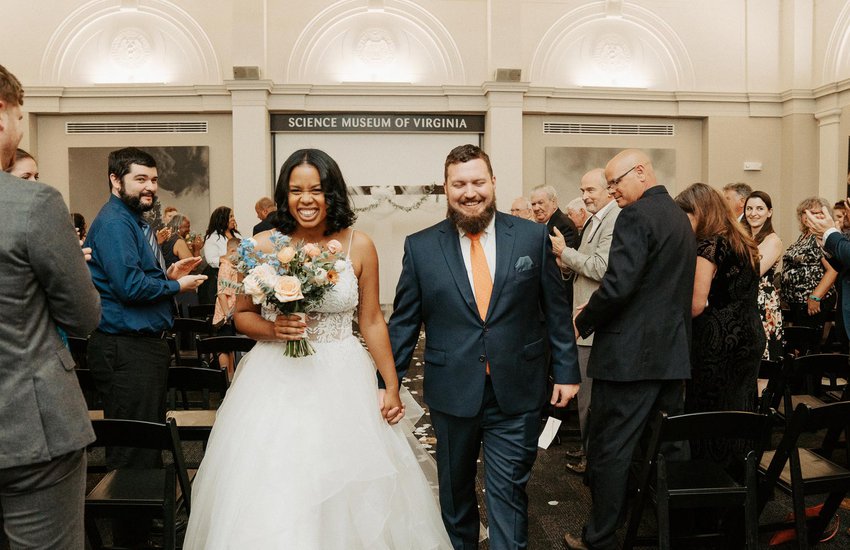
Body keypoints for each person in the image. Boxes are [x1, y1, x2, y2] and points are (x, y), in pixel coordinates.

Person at [183, 148, 452, 549]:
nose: (306, 199)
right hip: (274, 379)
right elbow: (241, 315)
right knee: (277, 483)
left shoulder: (358, 246)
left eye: (316, 190)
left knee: (350, 483)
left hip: (343, 377)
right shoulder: (261, 246)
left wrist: (392, 384)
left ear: (332, 194)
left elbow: (372, 320)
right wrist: (276, 329)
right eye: (296, 190)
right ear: (284, 195)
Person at [389, 144, 580, 549]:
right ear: (446, 188)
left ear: (493, 183)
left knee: (508, 493)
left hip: (518, 389)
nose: (469, 192)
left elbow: (555, 309)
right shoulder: (420, 247)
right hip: (451, 391)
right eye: (459, 184)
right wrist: (387, 383)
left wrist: (566, 370)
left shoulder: (530, 237)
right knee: (456, 495)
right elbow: (404, 322)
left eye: (478, 181)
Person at [565, 149, 695, 550]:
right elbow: (656, 287)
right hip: (671, 355)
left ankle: (600, 537)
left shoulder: (635, 216)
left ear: (640, 172)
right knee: (668, 448)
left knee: (611, 449)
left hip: (629, 360)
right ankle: (675, 531)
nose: (611, 190)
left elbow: (619, 285)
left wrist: (583, 319)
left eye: (615, 182)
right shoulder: (678, 216)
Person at [0, 62, 101, 550]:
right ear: (3, 114)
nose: (22, 128)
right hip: (28, 424)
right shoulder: (32, 205)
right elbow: (84, 317)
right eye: (22, 116)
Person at [84, 147, 206, 544]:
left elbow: (134, 276)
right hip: (126, 348)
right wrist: (176, 286)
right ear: (115, 181)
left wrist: (168, 272)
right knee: (132, 450)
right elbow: (129, 287)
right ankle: (131, 536)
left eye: (153, 179)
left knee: (146, 441)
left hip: (140, 347)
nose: (150, 187)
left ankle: (147, 521)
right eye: (140, 179)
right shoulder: (116, 223)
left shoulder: (133, 221)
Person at [675, 183, 765, 457]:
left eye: (686, 217)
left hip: (717, 342)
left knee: (708, 414)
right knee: (739, 409)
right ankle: (741, 478)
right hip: (749, 335)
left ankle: (711, 480)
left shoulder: (710, 244)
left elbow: (696, 304)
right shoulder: (744, 241)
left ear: (700, 213)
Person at [550, 168, 620, 476]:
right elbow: (582, 267)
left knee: (590, 397)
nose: (585, 196)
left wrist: (565, 253)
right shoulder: (596, 219)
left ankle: (595, 462)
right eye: (583, 190)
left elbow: (601, 268)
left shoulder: (614, 218)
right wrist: (565, 263)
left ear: (608, 190)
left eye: (590, 190)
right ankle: (590, 452)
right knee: (585, 399)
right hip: (582, 318)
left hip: (594, 321)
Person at [780, 197, 838, 332]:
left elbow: (832, 270)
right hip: (797, 302)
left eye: (819, 213)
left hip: (812, 300)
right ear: (802, 216)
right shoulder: (804, 236)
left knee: (808, 345)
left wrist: (815, 296)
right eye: (809, 212)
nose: (814, 216)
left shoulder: (820, 237)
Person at [744, 191, 784, 361]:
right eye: (749, 208)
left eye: (760, 208)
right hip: (746, 298)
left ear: (769, 212)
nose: (753, 213)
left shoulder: (772, 240)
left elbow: (754, 271)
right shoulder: (744, 237)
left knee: (763, 359)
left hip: (762, 302)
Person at [199, 206, 241, 304]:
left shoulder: (237, 235)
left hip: (236, 277)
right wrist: (228, 259)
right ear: (222, 219)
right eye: (230, 216)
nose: (233, 219)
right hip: (218, 277)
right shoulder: (212, 238)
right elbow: (211, 260)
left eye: (233, 216)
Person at [211, 237, 240, 378]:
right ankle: (225, 378)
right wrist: (227, 314)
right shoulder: (225, 266)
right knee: (224, 347)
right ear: (232, 250)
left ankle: (231, 375)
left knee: (230, 347)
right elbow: (222, 293)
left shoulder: (232, 266)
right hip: (225, 314)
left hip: (231, 312)